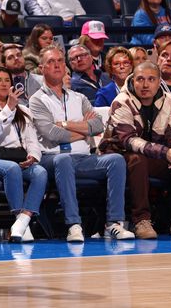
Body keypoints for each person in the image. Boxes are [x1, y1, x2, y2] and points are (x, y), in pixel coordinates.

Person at [30, 45, 135, 242]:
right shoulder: (37, 100)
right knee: (63, 160)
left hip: (83, 158)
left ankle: (113, 223)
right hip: (51, 158)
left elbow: (97, 125)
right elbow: (51, 133)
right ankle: (74, 224)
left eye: (60, 61)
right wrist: (82, 131)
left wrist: (65, 125)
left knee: (116, 160)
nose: (56, 65)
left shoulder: (79, 97)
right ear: (42, 68)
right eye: (51, 62)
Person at [100, 61, 171, 239]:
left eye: (151, 79)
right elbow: (129, 140)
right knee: (137, 161)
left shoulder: (170, 101)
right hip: (119, 155)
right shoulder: (121, 101)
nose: (145, 84)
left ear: (158, 81)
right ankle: (141, 220)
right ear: (133, 80)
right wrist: (165, 152)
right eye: (140, 79)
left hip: (154, 154)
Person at [0, 67, 46, 243]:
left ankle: (23, 221)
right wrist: (9, 108)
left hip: (19, 159)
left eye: (7, 80)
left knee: (40, 172)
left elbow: (31, 140)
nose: (4, 83)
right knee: (11, 168)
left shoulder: (24, 110)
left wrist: (33, 157)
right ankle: (20, 220)